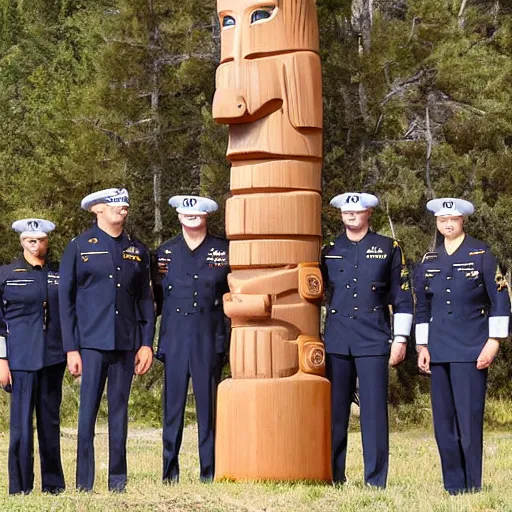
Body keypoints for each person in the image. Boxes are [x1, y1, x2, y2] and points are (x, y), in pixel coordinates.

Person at [59, 187, 155, 492]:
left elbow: (145, 300)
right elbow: (66, 301)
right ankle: (84, 483)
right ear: (97, 209)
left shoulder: (137, 250)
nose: (122, 209)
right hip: (90, 343)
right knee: (86, 413)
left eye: (126, 205)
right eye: (115, 204)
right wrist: (71, 348)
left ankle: (117, 482)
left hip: (126, 343)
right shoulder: (79, 246)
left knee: (119, 411)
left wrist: (146, 343)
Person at [415, 198, 510, 495]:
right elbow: (422, 308)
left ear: (463, 221)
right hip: (439, 349)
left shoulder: (482, 255)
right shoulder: (429, 260)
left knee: (469, 423)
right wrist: (422, 346)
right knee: (443, 425)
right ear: (437, 223)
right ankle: (453, 487)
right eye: (442, 220)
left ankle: (473, 486)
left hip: (471, 349)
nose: (447, 224)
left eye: (453, 219)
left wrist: (493, 342)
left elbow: (501, 301)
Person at [321, 192, 413, 488]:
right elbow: (317, 294)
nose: (351, 215)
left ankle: (375, 480)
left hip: (374, 338)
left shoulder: (388, 247)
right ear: (340, 215)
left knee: (373, 413)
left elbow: (403, 298)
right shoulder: (329, 250)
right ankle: (334, 476)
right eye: (346, 211)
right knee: (335, 412)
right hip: (337, 340)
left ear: (369, 212)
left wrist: (400, 338)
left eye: (357, 210)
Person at [153, 195, 229, 483]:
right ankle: (169, 472)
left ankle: (208, 471)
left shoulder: (224, 250)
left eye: (197, 213)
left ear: (206, 216)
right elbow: (155, 300)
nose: (191, 217)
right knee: (172, 409)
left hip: (208, 338)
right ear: (178, 216)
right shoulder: (164, 253)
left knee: (208, 410)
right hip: (175, 340)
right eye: (186, 213)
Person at [0, 218, 66, 495]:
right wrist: (1, 360)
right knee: (21, 428)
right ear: (22, 241)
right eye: (30, 239)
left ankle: (53, 486)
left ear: (47, 240)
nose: (35, 244)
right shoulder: (6, 273)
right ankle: (20, 487)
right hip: (19, 359)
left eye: (40, 239)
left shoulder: (59, 273)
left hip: (52, 357)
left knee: (50, 424)